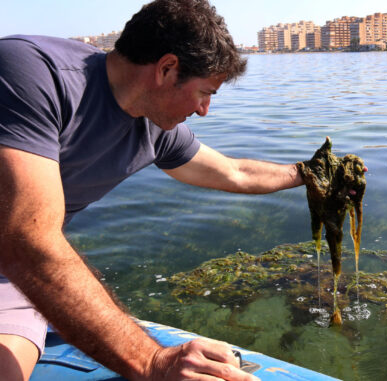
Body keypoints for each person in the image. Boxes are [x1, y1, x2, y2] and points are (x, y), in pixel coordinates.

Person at [0, 1, 302, 380]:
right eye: (205, 93)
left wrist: (308, 173)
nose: (206, 110)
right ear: (166, 68)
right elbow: (28, 240)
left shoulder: (156, 128)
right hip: (19, 256)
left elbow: (235, 172)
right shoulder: (30, 74)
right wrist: (153, 362)